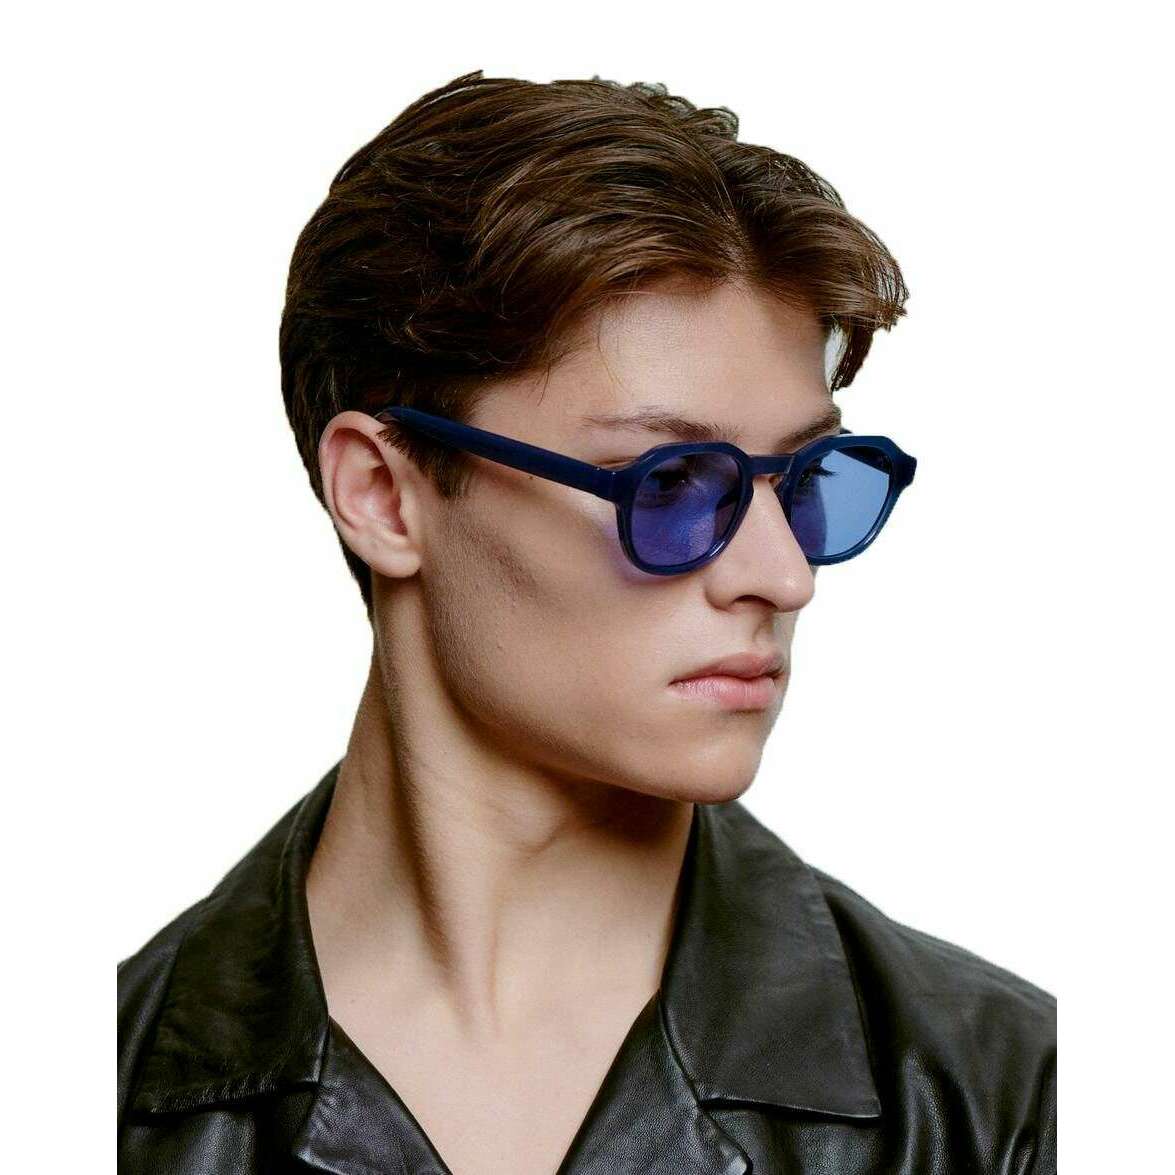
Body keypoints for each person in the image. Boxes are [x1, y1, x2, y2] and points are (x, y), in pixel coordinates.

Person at [117, 70, 1056, 1174]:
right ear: (381, 493)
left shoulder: (1004, 1102)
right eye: (670, 482)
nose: (782, 574)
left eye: (805, 480)